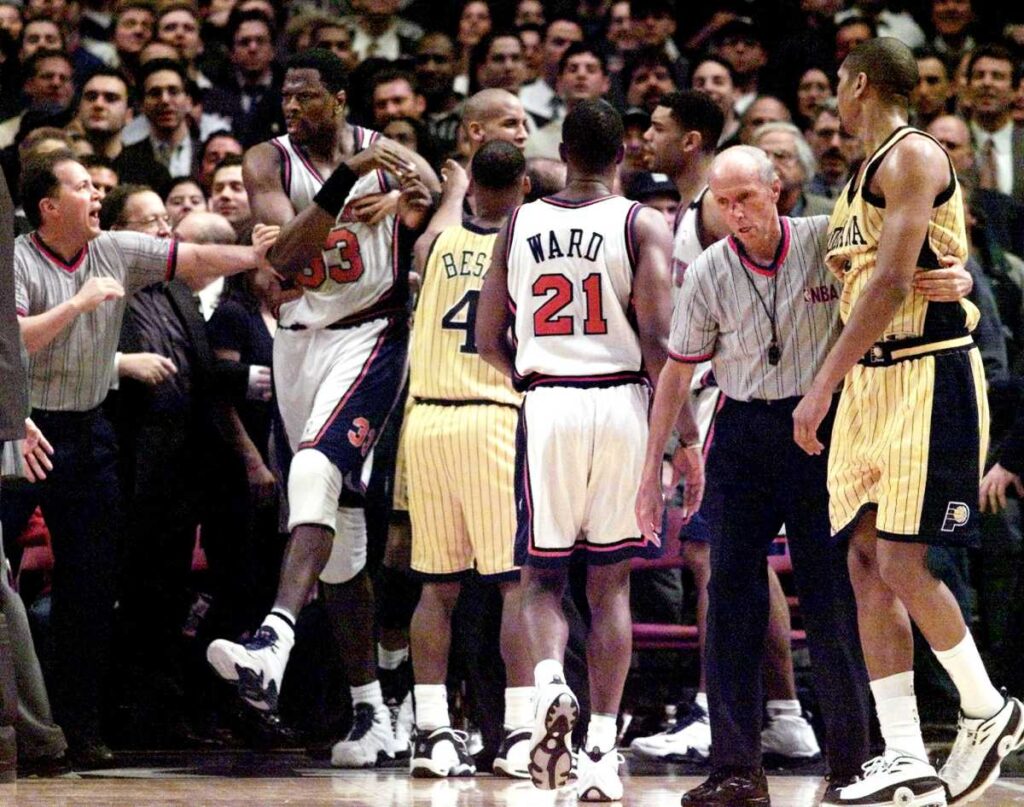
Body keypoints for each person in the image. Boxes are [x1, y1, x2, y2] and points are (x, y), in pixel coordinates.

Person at [637, 141, 975, 805]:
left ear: (777, 191)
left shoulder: (825, 241)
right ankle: (736, 768)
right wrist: (653, 466)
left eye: (746, 198)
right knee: (729, 600)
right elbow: (676, 371)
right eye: (723, 203)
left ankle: (853, 763)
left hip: (821, 427)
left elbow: (899, 268)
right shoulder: (706, 270)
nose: (736, 214)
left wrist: (957, 278)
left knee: (833, 597)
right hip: (742, 430)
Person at [791, 38, 1024, 807]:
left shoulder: (914, 154)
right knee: (865, 559)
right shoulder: (855, 181)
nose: (834, 97)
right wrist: (835, 379)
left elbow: (893, 282)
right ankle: (904, 754)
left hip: (928, 369)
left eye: (838, 84)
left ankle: (986, 708)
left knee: (900, 557)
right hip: (871, 380)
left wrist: (819, 386)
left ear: (858, 84)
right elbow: (865, 286)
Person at [205, 48, 439, 769]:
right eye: (286, 95)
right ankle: (371, 709)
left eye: (306, 95)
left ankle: (273, 638)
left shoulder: (381, 147)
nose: (292, 107)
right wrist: (349, 181)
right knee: (341, 541)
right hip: (299, 341)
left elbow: (435, 183)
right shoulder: (266, 160)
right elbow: (289, 259)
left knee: (313, 469)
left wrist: (400, 201)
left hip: (370, 334)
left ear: (339, 98)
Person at [12, 148, 277, 767]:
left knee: (92, 588)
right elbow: (13, 341)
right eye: (83, 187)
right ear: (49, 206)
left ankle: (80, 731)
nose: (96, 195)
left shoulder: (115, 250)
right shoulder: (17, 260)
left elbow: (194, 257)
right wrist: (78, 304)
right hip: (22, 430)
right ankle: (19, 729)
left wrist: (255, 256)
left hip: (89, 433)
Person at [476, 98, 686, 802]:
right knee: (610, 583)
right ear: (622, 154)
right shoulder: (641, 222)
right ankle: (600, 745)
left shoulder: (518, 221)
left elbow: (484, 339)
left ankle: (548, 684)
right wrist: (683, 436)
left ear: (561, 154)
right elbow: (658, 342)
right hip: (622, 403)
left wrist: (531, 379)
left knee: (541, 579)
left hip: (550, 402)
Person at [404, 141, 532, 779]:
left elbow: (434, 234)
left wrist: (453, 189)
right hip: (491, 417)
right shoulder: (526, 247)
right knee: (514, 583)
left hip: (426, 420)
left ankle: (432, 732)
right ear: (525, 186)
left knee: (437, 587)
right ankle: (519, 732)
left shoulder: (436, 245)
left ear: (472, 184)